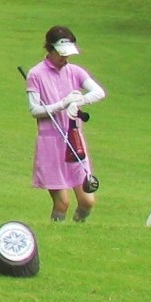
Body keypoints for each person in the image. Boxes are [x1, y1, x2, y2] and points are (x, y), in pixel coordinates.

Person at [27, 26, 104, 222]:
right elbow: (35, 110)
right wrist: (62, 104)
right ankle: (57, 232)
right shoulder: (36, 74)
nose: (65, 58)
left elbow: (98, 92)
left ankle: (77, 229)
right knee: (62, 203)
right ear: (50, 49)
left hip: (74, 140)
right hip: (51, 143)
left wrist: (79, 101)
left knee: (87, 201)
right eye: (61, 54)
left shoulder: (75, 71)